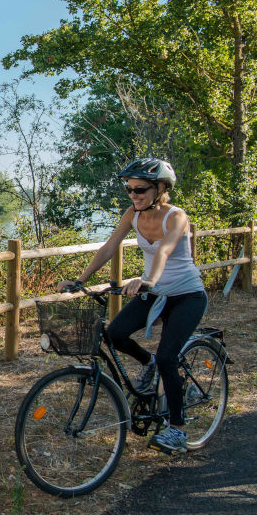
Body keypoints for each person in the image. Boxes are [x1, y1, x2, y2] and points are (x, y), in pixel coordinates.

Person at [57, 157, 207, 454]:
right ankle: (147, 363)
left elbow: (164, 249)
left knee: (167, 357)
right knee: (114, 333)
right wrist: (80, 279)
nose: (133, 195)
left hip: (186, 295)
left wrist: (147, 278)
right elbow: (110, 246)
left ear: (160, 188)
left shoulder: (176, 216)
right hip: (153, 292)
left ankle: (176, 429)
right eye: (129, 189)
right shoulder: (133, 214)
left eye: (140, 189)